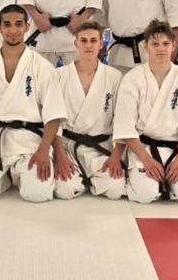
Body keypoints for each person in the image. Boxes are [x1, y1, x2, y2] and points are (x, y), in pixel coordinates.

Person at [0, 5, 67, 202]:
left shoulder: (42, 66)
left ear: (27, 27)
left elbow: (53, 115)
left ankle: (18, 176)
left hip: (31, 143)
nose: (13, 30)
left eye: (18, 24)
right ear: (0, 28)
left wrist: (44, 150)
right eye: (7, 24)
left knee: (38, 193)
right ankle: (9, 177)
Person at [114, 21, 178, 204]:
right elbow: (126, 126)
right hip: (143, 149)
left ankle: (170, 181)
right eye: (155, 44)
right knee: (145, 194)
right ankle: (141, 179)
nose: (161, 49)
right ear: (145, 46)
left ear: (174, 45)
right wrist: (146, 160)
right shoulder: (133, 78)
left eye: (165, 43)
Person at [52, 22, 126, 200]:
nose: (88, 45)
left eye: (93, 40)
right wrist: (60, 155)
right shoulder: (59, 75)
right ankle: (80, 178)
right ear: (76, 43)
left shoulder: (114, 77)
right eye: (83, 40)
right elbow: (53, 119)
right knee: (65, 191)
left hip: (100, 148)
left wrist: (116, 155)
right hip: (68, 147)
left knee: (115, 190)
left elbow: (122, 120)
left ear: (101, 44)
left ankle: (89, 178)